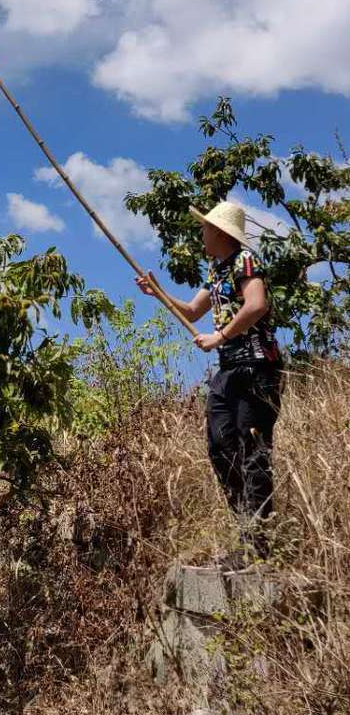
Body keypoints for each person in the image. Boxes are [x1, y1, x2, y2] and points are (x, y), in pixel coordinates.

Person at [135, 201, 282, 563]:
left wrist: (219, 336)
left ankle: (257, 546)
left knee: (253, 454)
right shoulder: (217, 272)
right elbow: (191, 311)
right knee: (220, 449)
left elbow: (257, 304)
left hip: (256, 368)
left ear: (220, 232)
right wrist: (158, 292)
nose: (201, 233)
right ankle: (245, 534)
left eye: (205, 228)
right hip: (229, 371)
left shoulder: (246, 261)